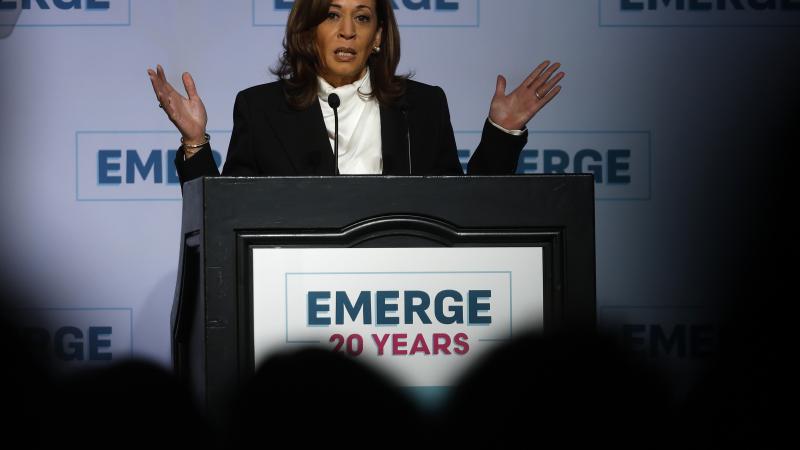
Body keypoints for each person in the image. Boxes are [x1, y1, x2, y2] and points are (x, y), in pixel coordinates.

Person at [147, 0, 564, 187]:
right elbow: (225, 217)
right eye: (332, 15)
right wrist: (194, 142)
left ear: (378, 35)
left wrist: (501, 133)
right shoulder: (261, 110)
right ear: (309, 31)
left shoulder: (421, 107)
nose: (348, 30)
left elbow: (462, 213)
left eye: (362, 17)